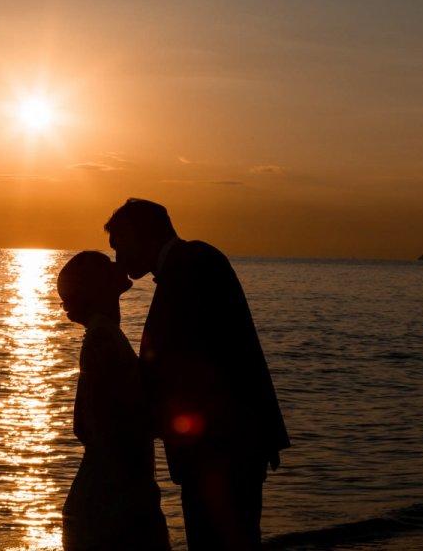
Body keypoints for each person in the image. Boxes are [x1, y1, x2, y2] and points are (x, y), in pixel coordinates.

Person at [105, 198, 290, 550]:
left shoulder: (192, 265)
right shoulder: (192, 263)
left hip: (221, 450)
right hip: (226, 446)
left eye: (120, 247)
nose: (119, 259)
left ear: (143, 236)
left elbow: (200, 364)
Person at [57, 251, 172, 551]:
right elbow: (94, 425)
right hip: (113, 496)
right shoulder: (102, 340)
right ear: (98, 285)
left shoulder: (104, 335)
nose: (118, 263)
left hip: (113, 488)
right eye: (106, 264)